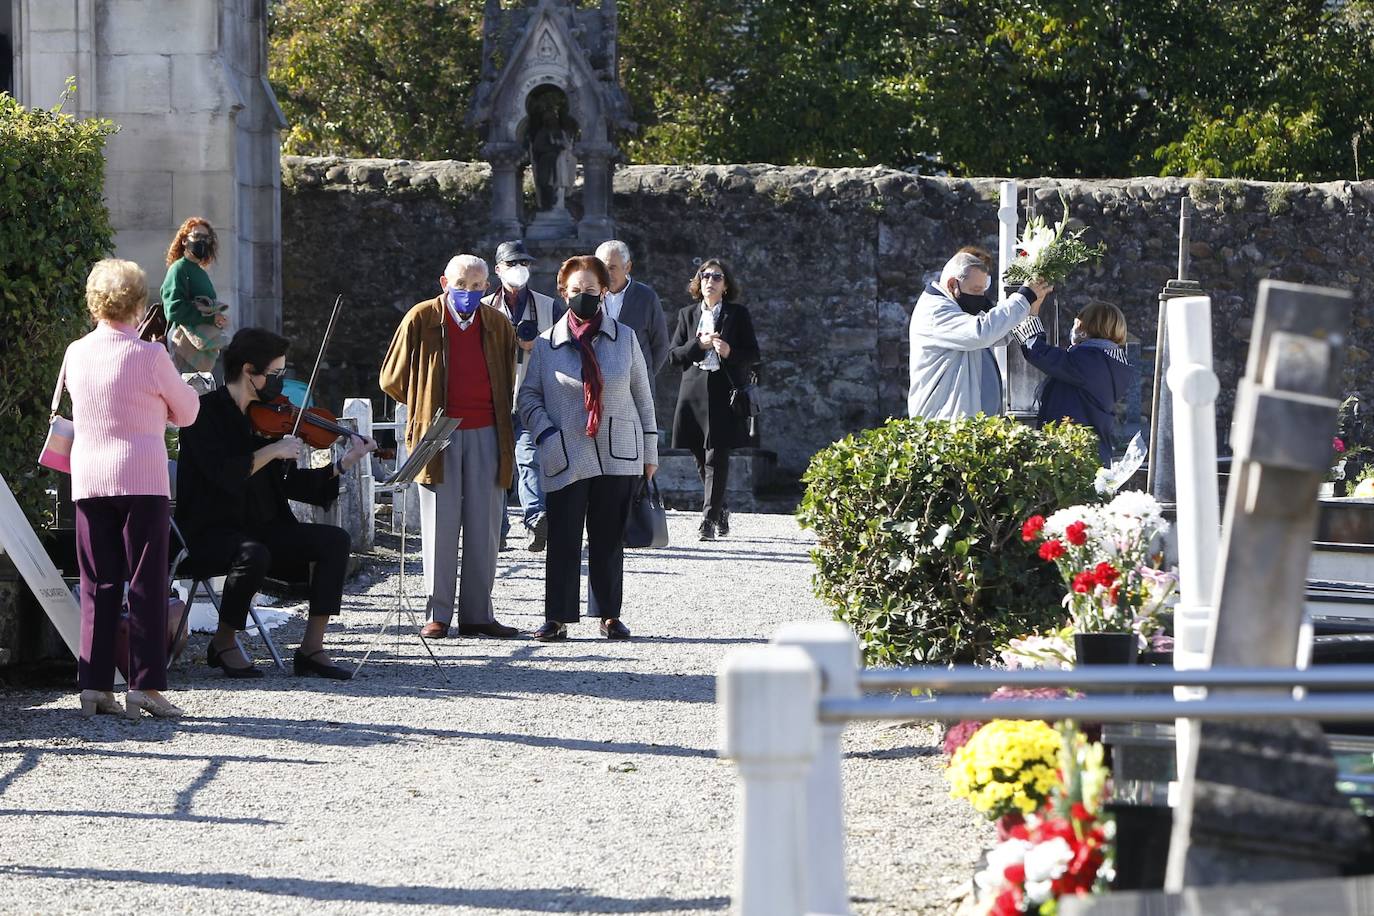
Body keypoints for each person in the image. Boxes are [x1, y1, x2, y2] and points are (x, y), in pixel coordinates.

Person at [175, 327, 376, 680]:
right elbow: (223, 476)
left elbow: (289, 485)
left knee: (334, 541)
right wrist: (272, 450)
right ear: (249, 371)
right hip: (211, 532)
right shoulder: (202, 415)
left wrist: (344, 463)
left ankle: (311, 649)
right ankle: (223, 642)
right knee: (253, 553)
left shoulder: (265, 418)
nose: (280, 382)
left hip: (263, 527)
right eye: (275, 373)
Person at [65, 259, 201, 719]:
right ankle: (145, 685)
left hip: (89, 477)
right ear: (140, 305)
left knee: (97, 583)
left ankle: (94, 686)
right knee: (146, 583)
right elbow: (187, 412)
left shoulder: (75, 352)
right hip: (141, 477)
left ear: (94, 304)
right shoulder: (150, 355)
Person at [381, 255, 521, 640]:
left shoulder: (497, 324)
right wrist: (424, 402)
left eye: (476, 286)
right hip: (437, 432)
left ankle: (478, 615)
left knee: (485, 526)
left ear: (487, 287)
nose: (468, 293)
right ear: (444, 282)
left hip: (488, 431)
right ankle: (437, 614)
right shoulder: (421, 317)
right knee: (439, 526)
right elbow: (391, 378)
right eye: (461, 285)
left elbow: (507, 377)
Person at [519, 255, 658, 641]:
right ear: (564, 294)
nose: (584, 296)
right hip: (566, 451)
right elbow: (528, 397)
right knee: (562, 538)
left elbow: (643, 396)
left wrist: (650, 451)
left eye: (591, 290)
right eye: (576, 290)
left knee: (609, 537)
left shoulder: (625, 337)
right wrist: (547, 434)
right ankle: (557, 617)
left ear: (604, 292)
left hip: (619, 450)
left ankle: (609, 614)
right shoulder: (546, 344)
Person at [667, 258, 761, 541]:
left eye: (717, 276)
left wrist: (730, 351)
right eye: (705, 275)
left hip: (723, 392)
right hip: (693, 391)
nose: (710, 280)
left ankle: (708, 519)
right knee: (699, 455)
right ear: (699, 282)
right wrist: (699, 345)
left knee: (716, 458)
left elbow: (753, 354)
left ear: (726, 285)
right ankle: (720, 508)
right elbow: (673, 356)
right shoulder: (687, 314)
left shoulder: (737, 314)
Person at [907, 251, 1053, 420]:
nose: (980, 298)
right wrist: (1024, 297)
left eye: (982, 291)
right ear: (952, 285)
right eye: (975, 290)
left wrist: (1030, 308)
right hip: (940, 425)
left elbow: (999, 334)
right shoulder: (935, 311)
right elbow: (982, 333)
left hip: (962, 425)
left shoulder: (958, 308)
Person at [482, 239, 559, 552]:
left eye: (524, 263)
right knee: (495, 463)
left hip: (533, 396)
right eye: (512, 263)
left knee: (530, 458)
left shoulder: (549, 306)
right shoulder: (483, 308)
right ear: (498, 270)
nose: (519, 268)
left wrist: (537, 346)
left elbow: (566, 350)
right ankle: (496, 530)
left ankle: (536, 520)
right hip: (493, 399)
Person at [1013, 302, 1133, 465]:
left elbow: (1040, 353)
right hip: (1092, 454)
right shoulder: (1110, 361)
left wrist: (1029, 316)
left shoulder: (1090, 362)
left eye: (1077, 323)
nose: (1074, 327)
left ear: (1085, 329)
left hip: (1075, 456)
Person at [596, 240, 670, 407]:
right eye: (602, 268)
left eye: (612, 268)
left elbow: (661, 345)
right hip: (598, 389)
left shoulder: (646, 297)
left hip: (635, 391)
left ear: (627, 267)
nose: (606, 274)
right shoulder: (591, 295)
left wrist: (643, 374)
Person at [161, 217, 230, 377]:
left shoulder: (200, 272)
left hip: (199, 346)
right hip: (182, 345)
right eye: (197, 236)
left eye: (206, 238)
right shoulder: (179, 268)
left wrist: (217, 317)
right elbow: (173, 310)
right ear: (184, 240)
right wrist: (210, 318)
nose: (202, 242)